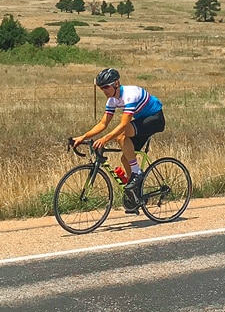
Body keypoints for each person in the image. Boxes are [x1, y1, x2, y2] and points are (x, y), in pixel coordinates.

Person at [71, 68, 166, 213]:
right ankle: (136, 194)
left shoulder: (129, 95)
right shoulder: (112, 101)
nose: (104, 90)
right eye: (101, 88)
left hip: (155, 118)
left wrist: (104, 139)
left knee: (121, 135)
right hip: (141, 120)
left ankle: (137, 174)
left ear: (116, 83)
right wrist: (83, 137)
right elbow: (103, 124)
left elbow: (123, 125)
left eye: (106, 87)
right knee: (125, 158)